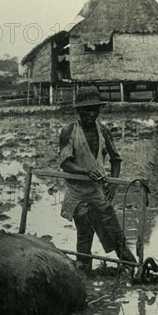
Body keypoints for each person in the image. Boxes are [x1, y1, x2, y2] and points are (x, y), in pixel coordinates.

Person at [59, 87, 137, 272]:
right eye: (86, 110)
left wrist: (113, 183)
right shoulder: (69, 131)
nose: (90, 114)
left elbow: (116, 159)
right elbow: (65, 163)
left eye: (94, 109)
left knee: (116, 235)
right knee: (84, 237)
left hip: (98, 193)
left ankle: (134, 270)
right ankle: (85, 278)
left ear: (99, 110)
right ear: (78, 111)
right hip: (77, 195)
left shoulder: (103, 130)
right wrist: (86, 172)